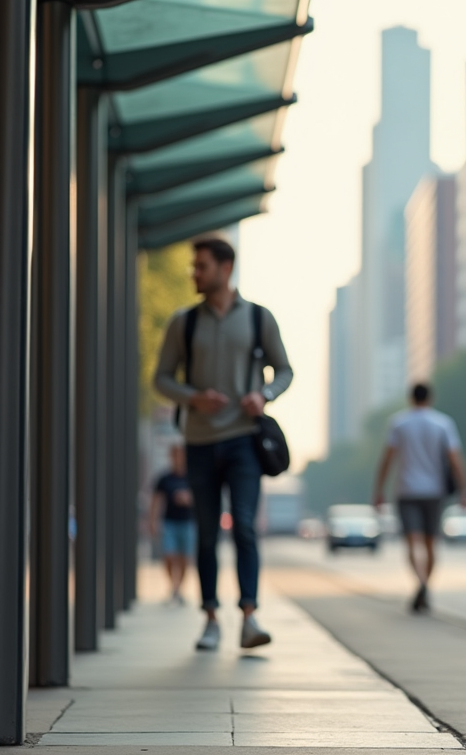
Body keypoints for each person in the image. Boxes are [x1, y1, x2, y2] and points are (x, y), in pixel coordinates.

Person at [154, 237, 293, 651]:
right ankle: (211, 618)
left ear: (225, 268)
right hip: (199, 441)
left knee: (245, 527)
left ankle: (249, 617)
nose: (194, 274)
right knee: (206, 534)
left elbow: (284, 370)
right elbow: (161, 378)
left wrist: (264, 395)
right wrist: (193, 397)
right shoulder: (183, 322)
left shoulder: (258, 318)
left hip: (244, 441)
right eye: (194, 267)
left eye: (201, 266)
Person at [373, 383, 466, 613]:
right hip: (434, 492)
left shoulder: (399, 423)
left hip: (406, 491)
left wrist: (379, 490)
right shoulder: (443, 423)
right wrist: (465, 490)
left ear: (410, 398)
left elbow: (387, 459)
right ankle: (426, 586)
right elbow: (455, 459)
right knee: (430, 543)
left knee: (411, 541)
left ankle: (421, 583)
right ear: (430, 398)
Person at [149, 443, 195, 605]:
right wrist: (152, 521)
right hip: (169, 523)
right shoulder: (165, 479)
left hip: (188, 523)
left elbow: (203, 499)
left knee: (184, 558)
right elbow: (156, 501)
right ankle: (173, 586)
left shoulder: (191, 477)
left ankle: (178, 589)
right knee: (169, 555)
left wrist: (188, 498)